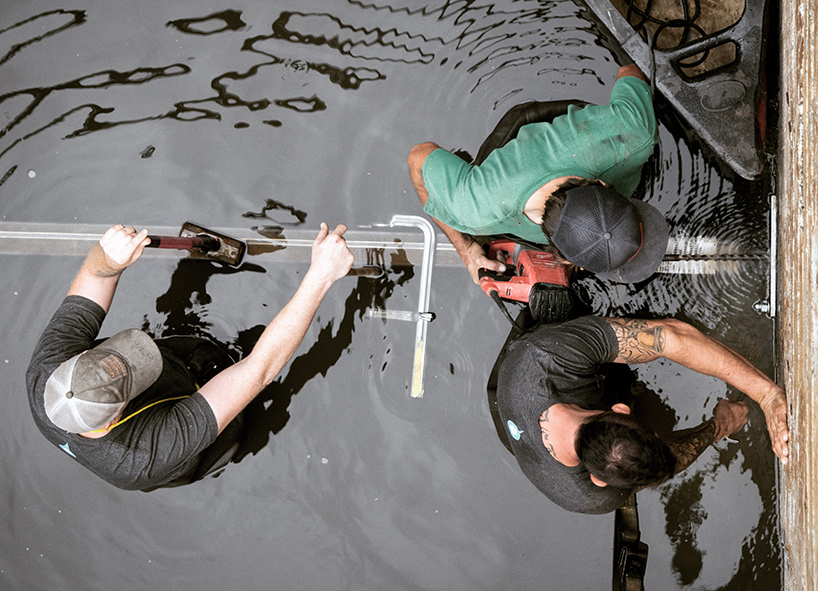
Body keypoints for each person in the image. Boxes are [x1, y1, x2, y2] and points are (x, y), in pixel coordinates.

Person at [26, 222, 354, 491]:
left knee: (185, 353)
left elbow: (96, 275)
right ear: (114, 417)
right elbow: (259, 369)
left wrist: (110, 257)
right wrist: (321, 275)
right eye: (131, 376)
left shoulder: (46, 373)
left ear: (69, 362)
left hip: (177, 367)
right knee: (242, 408)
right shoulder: (145, 454)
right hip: (199, 446)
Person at [492, 315, 789, 514]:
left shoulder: (549, 355)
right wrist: (719, 427)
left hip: (513, 372)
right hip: (521, 431)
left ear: (620, 409)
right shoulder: (590, 496)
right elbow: (662, 463)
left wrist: (766, 394)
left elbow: (671, 335)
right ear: (621, 407)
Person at [408, 64, 669, 285]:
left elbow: (630, 69)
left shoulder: (636, 131)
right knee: (477, 234)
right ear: (564, 260)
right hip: (511, 157)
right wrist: (465, 249)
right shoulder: (477, 205)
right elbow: (418, 157)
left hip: (584, 137)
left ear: (602, 184)